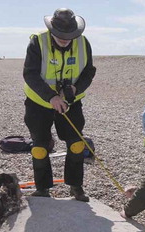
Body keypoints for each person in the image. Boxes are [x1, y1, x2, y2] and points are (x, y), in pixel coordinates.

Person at [23, 8, 96, 202]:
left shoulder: (83, 43)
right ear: (51, 29)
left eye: (69, 35)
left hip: (71, 102)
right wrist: (51, 97)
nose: (65, 38)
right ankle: (42, 188)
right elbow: (29, 74)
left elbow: (89, 72)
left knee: (76, 144)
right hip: (38, 103)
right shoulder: (38, 42)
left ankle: (76, 186)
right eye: (60, 35)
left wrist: (75, 89)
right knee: (39, 147)